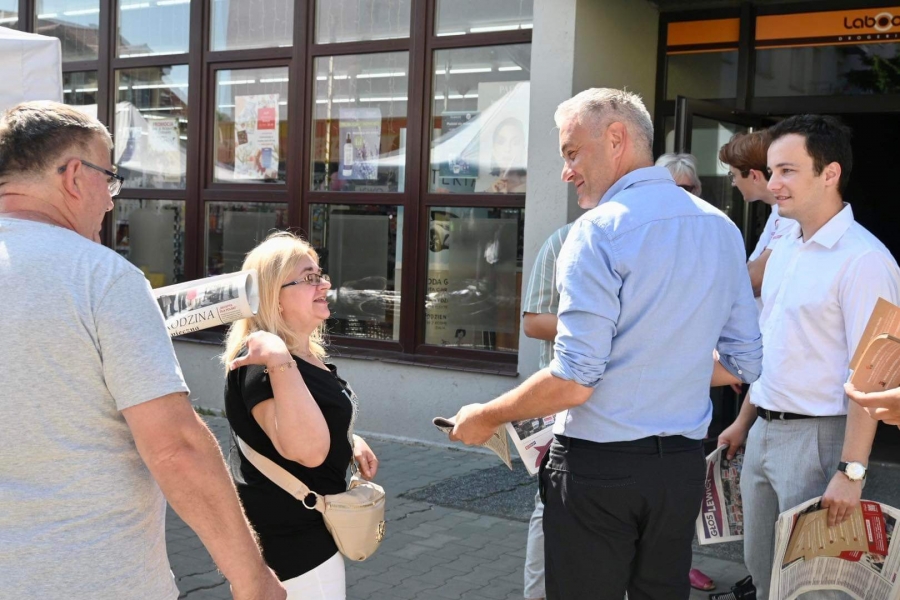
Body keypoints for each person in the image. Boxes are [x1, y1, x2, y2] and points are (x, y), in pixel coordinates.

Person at [449, 88, 763, 600]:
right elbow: (745, 361)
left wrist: (486, 415)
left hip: (600, 470)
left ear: (616, 138)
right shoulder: (721, 227)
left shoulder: (597, 229)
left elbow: (574, 380)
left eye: (572, 153)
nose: (566, 171)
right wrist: (668, 369)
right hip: (680, 468)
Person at [0, 101, 284, 599]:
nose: (111, 202)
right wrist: (253, 580)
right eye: (109, 180)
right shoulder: (101, 277)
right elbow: (176, 448)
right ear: (74, 176)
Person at [717, 115, 900, 600]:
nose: (773, 183)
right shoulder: (785, 248)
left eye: (787, 171)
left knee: (810, 589)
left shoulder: (865, 260)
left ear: (830, 173)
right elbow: (776, 349)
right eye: (771, 171)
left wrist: (852, 471)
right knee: (763, 576)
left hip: (821, 441)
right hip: (763, 432)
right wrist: (744, 421)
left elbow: (872, 377)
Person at [222, 231, 379, 600]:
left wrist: (348, 439)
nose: (324, 284)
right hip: (295, 548)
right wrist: (278, 357)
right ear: (273, 295)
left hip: (312, 534)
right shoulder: (262, 362)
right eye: (309, 278)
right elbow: (307, 450)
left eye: (320, 274)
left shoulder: (302, 355)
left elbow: (310, 416)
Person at [655, 151, 719, 594]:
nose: (682, 196)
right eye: (672, 188)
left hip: (697, 386)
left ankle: (682, 560)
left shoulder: (714, 237)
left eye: (689, 188)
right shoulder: (641, 237)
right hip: (645, 396)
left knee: (685, 484)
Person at [719, 130, 796, 303]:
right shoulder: (777, 213)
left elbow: (754, 280)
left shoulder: (791, 217)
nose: (733, 183)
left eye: (733, 175)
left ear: (754, 176)